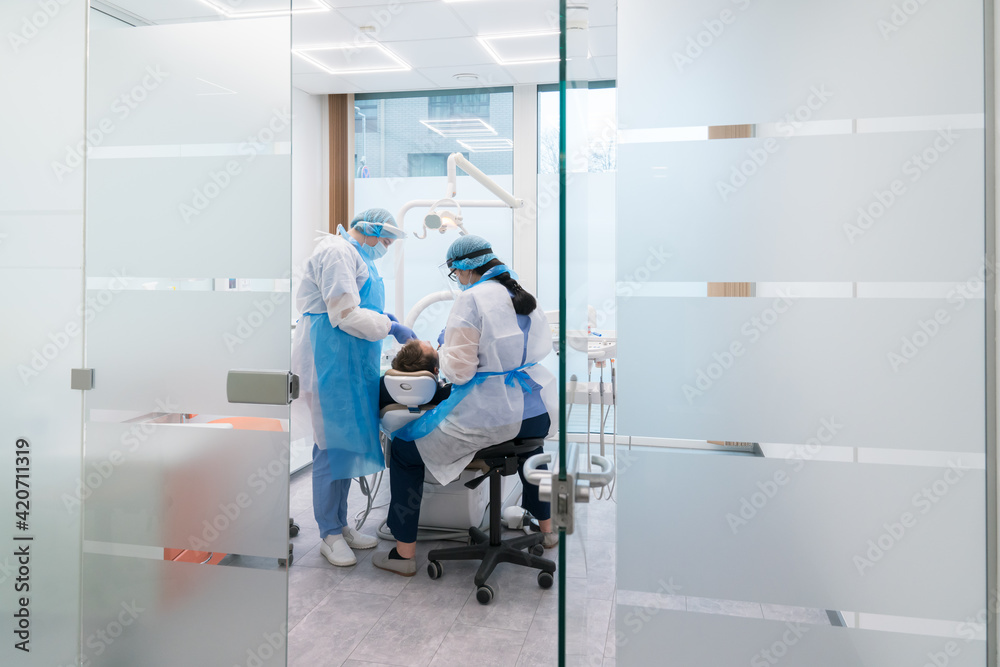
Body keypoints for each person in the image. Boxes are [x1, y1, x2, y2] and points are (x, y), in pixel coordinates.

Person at [373, 235, 558, 576]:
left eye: (454, 273)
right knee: (534, 453)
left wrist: (444, 349)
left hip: (494, 415)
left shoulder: (470, 299)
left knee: (403, 449)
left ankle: (403, 554)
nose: (456, 280)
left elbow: (459, 371)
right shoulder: (519, 291)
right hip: (536, 411)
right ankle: (548, 531)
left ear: (462, 269)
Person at [292, 209, 418, 567]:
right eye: (387, 238)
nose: (388, 246)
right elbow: (344, 315)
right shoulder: (336, 251)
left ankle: (341, 524)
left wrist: (387, 320)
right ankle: (328, 534)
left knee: (343, 446)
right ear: (371, 229)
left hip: (349, 362)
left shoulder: (358, 257)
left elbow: (360, 306)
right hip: (327, 359)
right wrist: (391, 327)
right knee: (329, 448)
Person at [379, 339, 452, 411]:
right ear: (436, 370)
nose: (428, 341)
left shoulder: (381, 388)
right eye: (433, 349)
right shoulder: (447, 394)